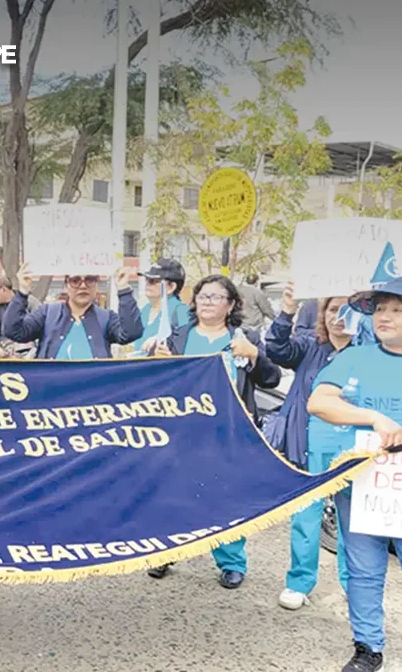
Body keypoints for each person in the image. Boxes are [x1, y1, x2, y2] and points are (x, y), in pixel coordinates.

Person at [149, 275, 282, 588]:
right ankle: (166, 552)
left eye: (216, 297)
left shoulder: (245, 337)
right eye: (203, 296)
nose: (208, 302)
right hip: (182, 432)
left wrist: (254, 355)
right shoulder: (177, 337)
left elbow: (271, 379)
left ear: (231, 304)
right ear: (194, 302)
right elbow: (157, 386)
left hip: (230, 432)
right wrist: (157, 362)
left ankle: (231, 562)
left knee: (228, 496)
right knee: (174, 493)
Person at [308, 276, 402, 672]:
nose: (385, 316)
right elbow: (319, 401)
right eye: (381, 308)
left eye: (397, 310)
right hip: (364, 483)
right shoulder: (355, 358)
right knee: (363, 568)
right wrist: (371, 415)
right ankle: (368, 648)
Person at [266, 283, 355, 611]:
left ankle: (353, 583)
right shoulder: (310, 346)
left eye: (347, 309)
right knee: (306, 516)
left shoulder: (368, 352)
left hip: (354, 450)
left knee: (351, 521)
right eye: (333, 310)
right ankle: (299, 582)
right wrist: (287, 309)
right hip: (309, 445)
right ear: (323, 315)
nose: (339, 317)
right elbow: (276, 349)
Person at [3, 263, 142, 360]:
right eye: (75, 280)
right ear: (66, 285)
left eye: (90, 280)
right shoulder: (47, 313)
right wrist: (22, 292)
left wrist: (124, 290)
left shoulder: (106, 317)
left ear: (97, 284)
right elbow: (13, 331)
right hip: (53, 395)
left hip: (95, 395)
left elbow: (131, 333)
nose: (83, 286)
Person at [134, 259, 191, 353]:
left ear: (171, 287)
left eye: (153, 281)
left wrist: (162, 340)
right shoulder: (145, 309)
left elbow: (186, 338)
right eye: (146, 279)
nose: (147, 284)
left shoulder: (181, 310)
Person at [0, 275, 40, 359]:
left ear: (4, 289)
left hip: (30, 347)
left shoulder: (30, 302)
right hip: (3, 350)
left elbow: (42, 323)